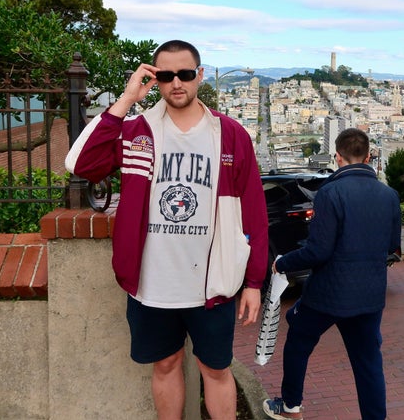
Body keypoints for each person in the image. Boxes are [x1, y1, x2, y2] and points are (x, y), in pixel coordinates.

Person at [65, 39, 267, 420]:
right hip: (153, 283)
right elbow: (81, 163)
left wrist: (254, 282)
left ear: (199, 76)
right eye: (166, 75)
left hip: (212, 283)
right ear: (154, 79)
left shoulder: (229, 134)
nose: (177, 83)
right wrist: (126, 99)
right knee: (166, 364)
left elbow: (254, 212)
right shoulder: (136, 131)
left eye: (185, 74)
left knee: (216, 370)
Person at [263, 128, 402, 420]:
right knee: (368, 363)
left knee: (299, 338)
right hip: (369, 295)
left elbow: (318, 251)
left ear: (337, 157)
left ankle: (290, 406)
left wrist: (283, 263)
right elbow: (392, 246)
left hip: (328, 294)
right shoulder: (389, 196)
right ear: (368, 157)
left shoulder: (330, 193)